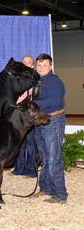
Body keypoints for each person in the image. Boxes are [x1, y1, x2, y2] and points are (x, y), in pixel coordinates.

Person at [30, 53, 68, 204]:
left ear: (50, 66)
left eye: (44, 65)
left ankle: (59, 194)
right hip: (42, 122)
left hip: (53, 120)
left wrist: (34, 105)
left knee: (53, 158)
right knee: (45, 157)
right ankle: (45, 188)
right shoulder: (40, 81)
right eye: (39, 65)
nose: (41, 67)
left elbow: (54, 100)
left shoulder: (54, 81)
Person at [9, 55, 38, 178]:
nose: (26, 64)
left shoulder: (36, 81)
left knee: (31, 143)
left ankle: (32, 170)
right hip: (18, 116)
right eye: (24, 62)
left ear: (32, 66)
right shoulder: (18, 81)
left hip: (29, 116)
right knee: (19, 143)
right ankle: (19, 168)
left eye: (29, 62)